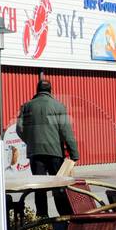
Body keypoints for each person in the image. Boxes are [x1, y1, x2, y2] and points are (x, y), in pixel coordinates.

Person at [15, 78, 80, 218]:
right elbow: (66, 131)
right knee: (59, 186)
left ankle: (42, 219)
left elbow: (19, 129)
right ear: (50, 91)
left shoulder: (26, 106)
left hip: (35, 153)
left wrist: (31, 141)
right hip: (55, 152)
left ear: (37, 91)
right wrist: (74, 153)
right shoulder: (59, 106)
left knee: (40, 187)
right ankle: (64, 216)